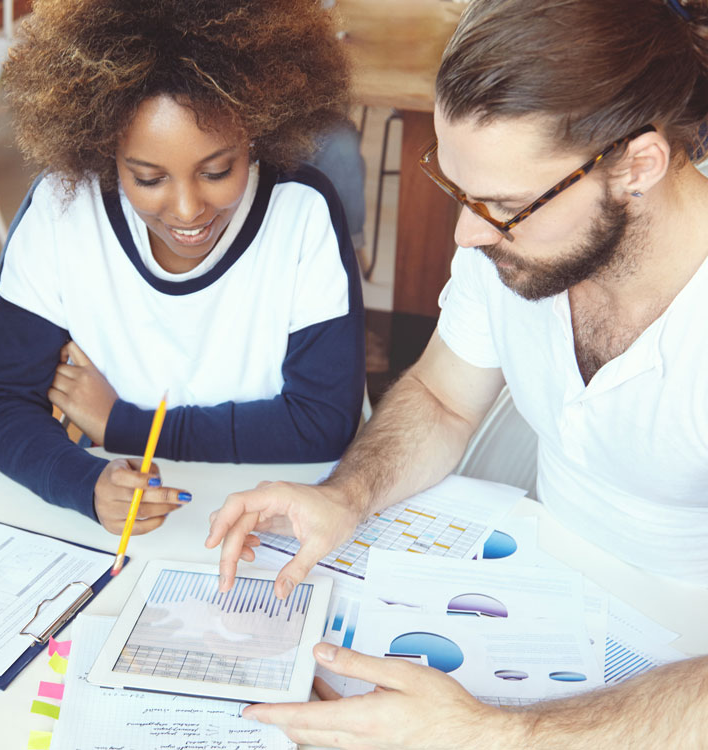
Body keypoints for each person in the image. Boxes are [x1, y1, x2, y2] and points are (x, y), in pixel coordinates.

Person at [205, 0, 708, 746]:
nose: (468, 234)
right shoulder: (515, 246)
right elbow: (443, 396)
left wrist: (488, 734)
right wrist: (349, 494)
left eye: (503, 206)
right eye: (460, 190)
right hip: (546, 600)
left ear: (638, 165)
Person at [0, 0, 365, 534]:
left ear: (257, 132)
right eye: (149, 179)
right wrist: (83, 482)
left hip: (278, 513)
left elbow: (322, 423)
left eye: (218, 170)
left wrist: (121, 424)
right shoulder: (63, 209)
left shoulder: (303, 210)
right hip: (141, 523)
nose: (187, 210)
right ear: (106, 150)